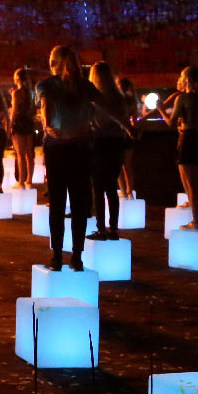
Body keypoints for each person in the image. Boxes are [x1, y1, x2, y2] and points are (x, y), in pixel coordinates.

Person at [37, 46, 102, 271]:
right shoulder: (85, 86)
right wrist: (127, 126)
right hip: (81, 149)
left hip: (56, 149)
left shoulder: (46, 85)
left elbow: (45, 106)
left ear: (54, 62)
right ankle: (77, 256)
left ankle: (56, 257)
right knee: (79, 204)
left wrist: (47, 127)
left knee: (57, 203)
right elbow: (108, 107)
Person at [162, 65, 198, 229]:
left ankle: (195, 221)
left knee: (190, 184)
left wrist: (160, 109)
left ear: (187, 80)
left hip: (187, 139)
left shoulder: (183, 98)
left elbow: (171, 123)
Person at [89, 62, 131, 240]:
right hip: (116, 144)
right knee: (111, 187)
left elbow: (90, 121)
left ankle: (101, 229)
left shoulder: (94, 97)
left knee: (98, 188)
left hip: (98, 143)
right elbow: (123, 119)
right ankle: (113, 228)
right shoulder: (119, 97)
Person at [10, 69, 38, 190]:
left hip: (19, 123)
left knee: (20, 154)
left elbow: (14, 111)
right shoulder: (32, 92)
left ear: (17, 78)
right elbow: (34, 110)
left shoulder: (17, 93)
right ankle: (29, 180)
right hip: (29, 122)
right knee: (29, 154)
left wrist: (10, 125)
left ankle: (21, 181)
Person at [118, 76, 143, 197]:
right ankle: (129, 191)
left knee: (119, 166)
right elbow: (135, 120)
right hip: (129, 134)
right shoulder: (132, 100)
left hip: (119, 133)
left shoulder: (117, 99)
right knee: (127, 165)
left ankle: (124, 191)